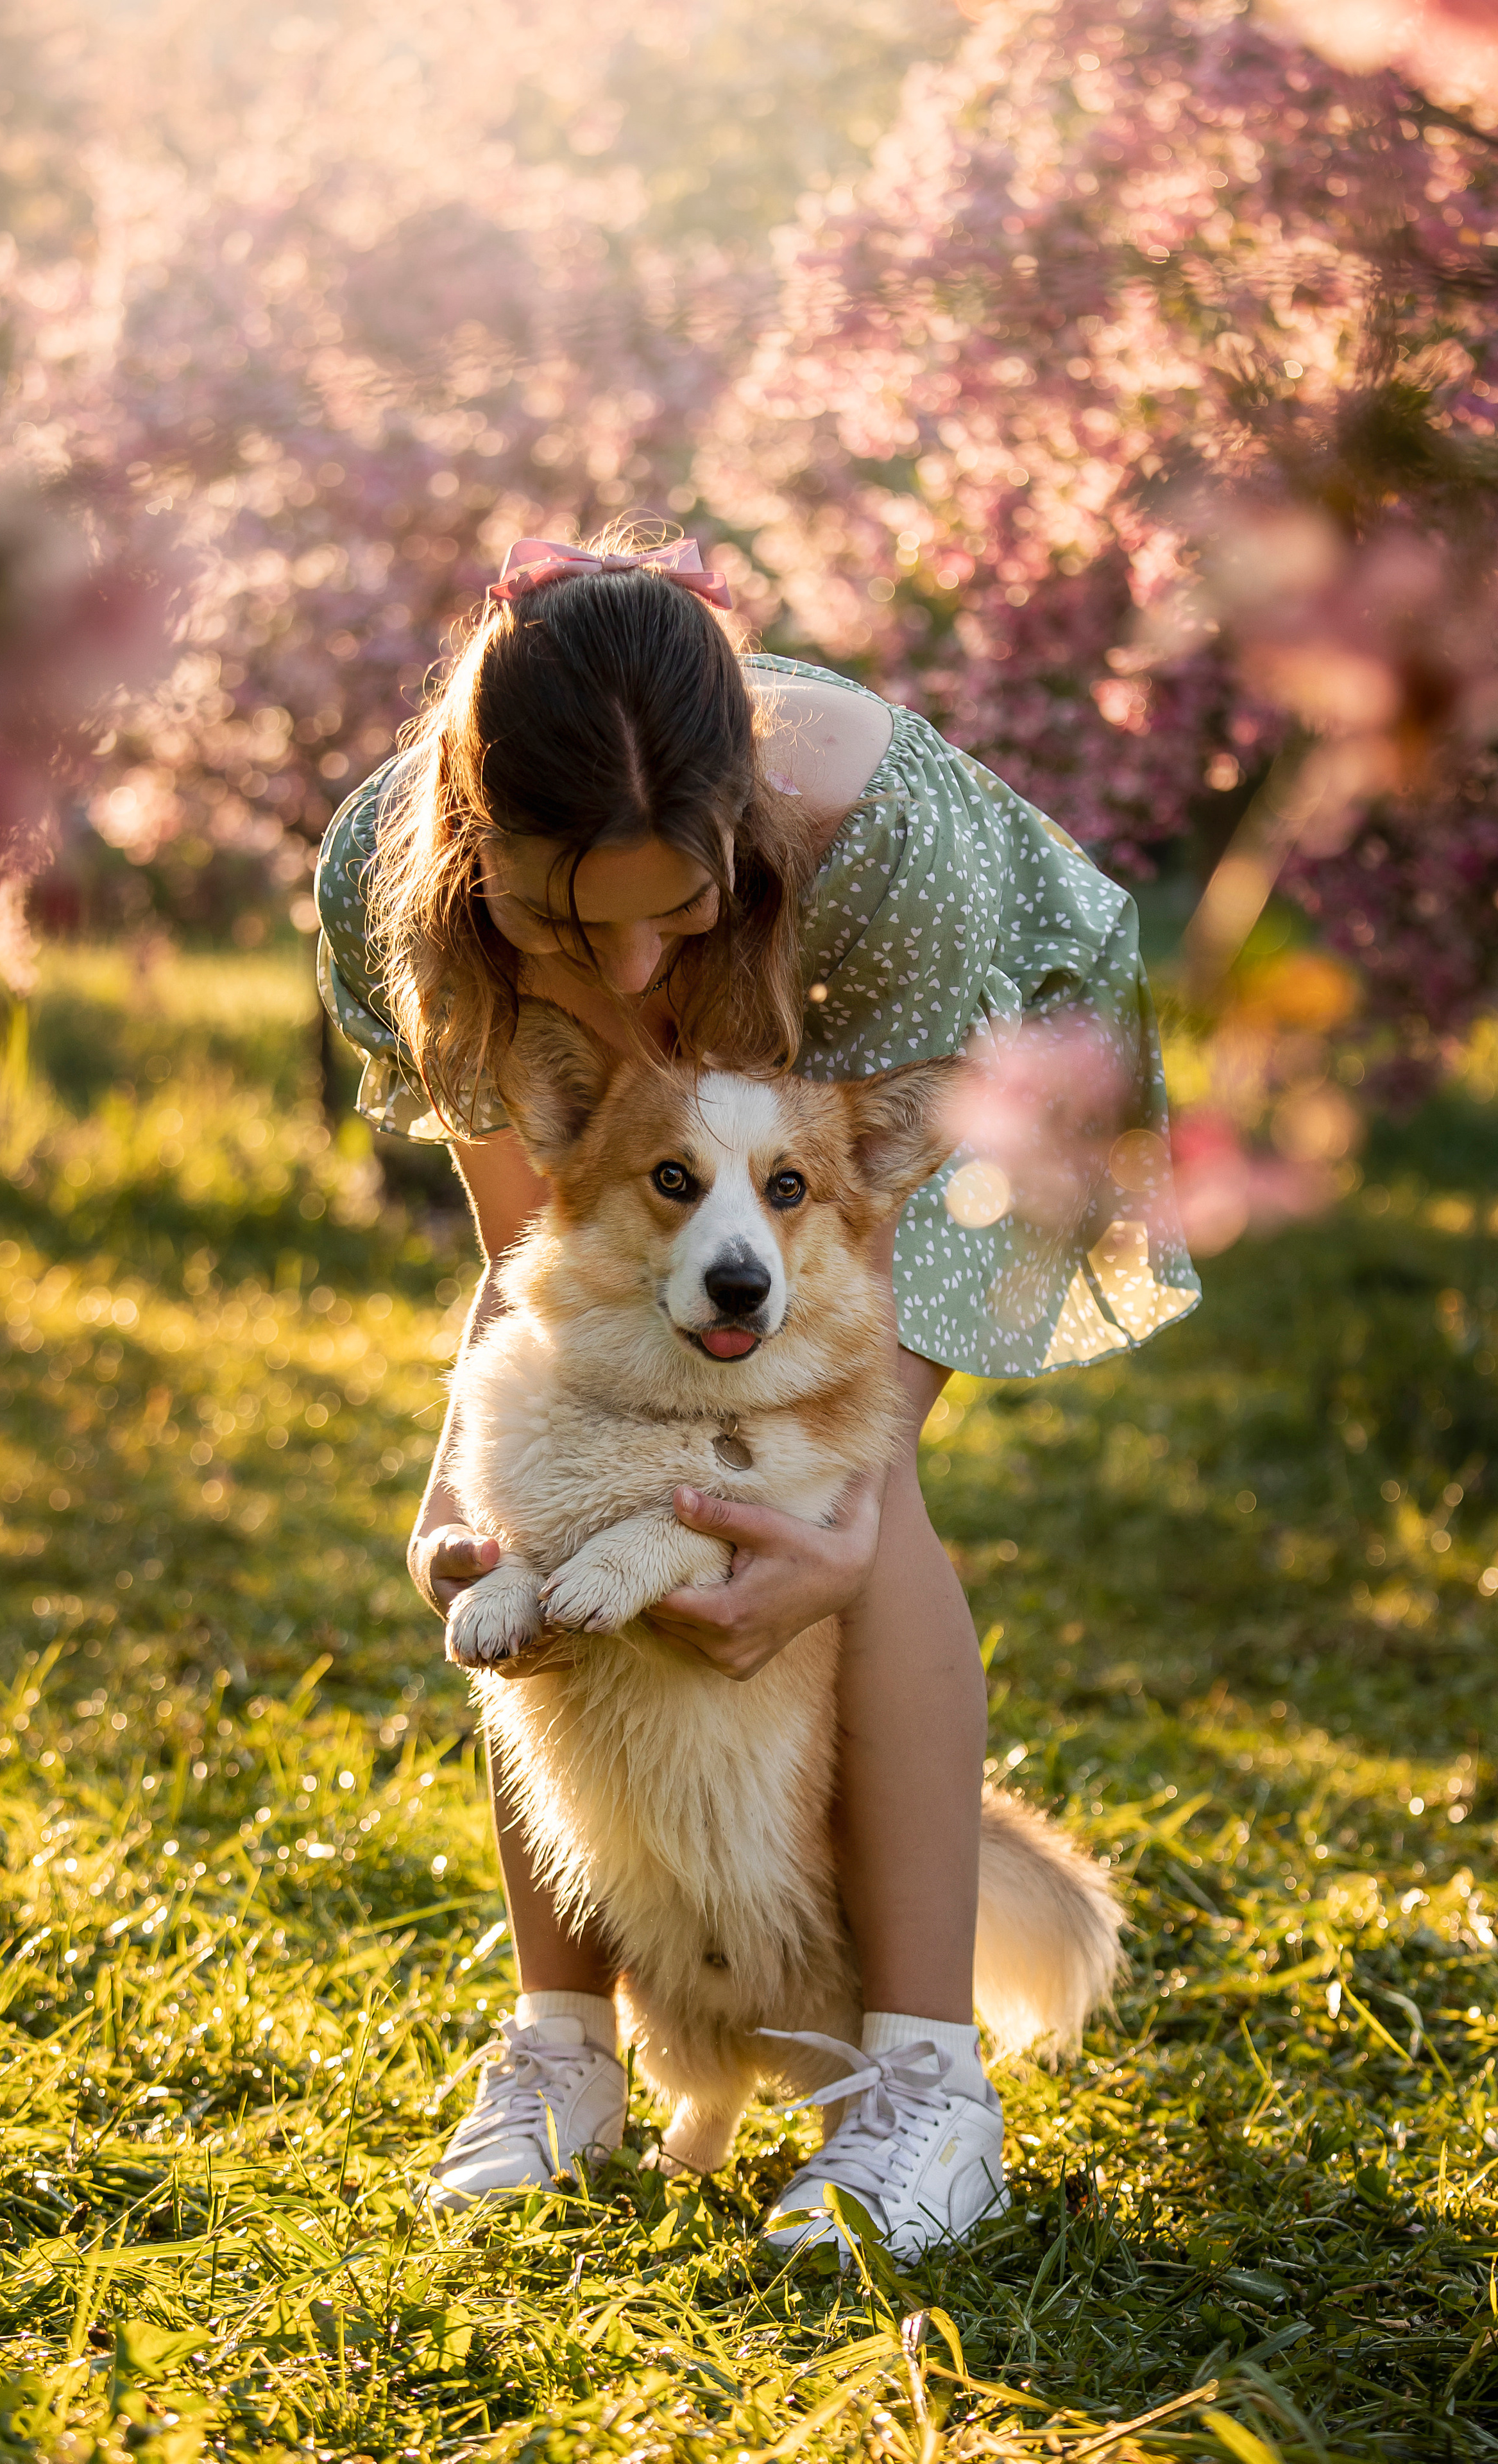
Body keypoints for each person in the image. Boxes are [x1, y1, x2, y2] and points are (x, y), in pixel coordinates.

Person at [315, 531, 1199, 2250]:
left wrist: (841, 1515)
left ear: (733, 846)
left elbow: (863, 1270)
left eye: (675, 914)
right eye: (575, 921)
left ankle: (923, 2088)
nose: (635, 973)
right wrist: (465, 1496)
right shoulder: (397, 884)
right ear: (479, 860)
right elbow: (546, 1281)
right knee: (550, 1494)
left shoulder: (895, 858)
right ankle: (564, 2047)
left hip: (961, 1055)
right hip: (670, 1144)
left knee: (865, 1505)